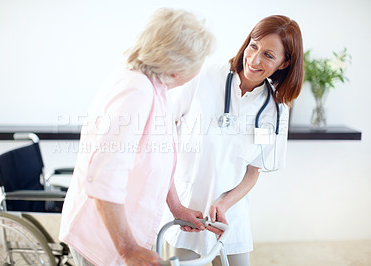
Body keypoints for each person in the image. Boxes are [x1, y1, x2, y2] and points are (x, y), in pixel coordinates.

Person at [59, 8, 215, 266]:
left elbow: (160, 161)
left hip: (126, 230)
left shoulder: (156, 86)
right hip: (104, 239)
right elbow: (104, 178)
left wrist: (176, 208)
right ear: (177, 67)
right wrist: (128, 249)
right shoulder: (135, 92)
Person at [164, 15, 304, 265]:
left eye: (269, 55)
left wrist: (224, 203)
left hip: (229, 216)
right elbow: (164, 132)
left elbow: (253, 171)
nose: (255, 59)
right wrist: (172, 200)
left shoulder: (276, 108)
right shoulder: (203, 76)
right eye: (254, 46)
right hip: (184, 209)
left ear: (285, 64)